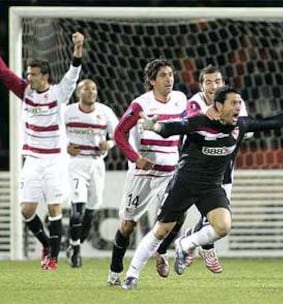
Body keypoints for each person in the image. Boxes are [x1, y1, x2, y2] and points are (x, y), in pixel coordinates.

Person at [121, 84, 283, 290]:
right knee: (161, 231)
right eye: (233, 103)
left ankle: (185, 244)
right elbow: (173, 127)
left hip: (211, 186)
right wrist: (154, 127)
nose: (238, 107)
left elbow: (275, 121)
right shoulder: (200, 122)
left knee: (223, 226)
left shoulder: (241, 126)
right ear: (218, 106)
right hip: (185, 183)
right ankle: (132, 274)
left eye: (239, 103)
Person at [0, 32, 84, 270]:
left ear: (45, 76)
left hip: (55, 160)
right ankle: (47, 244)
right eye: (28, 74)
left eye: (33, 74)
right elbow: (5, 74)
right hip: (33, 159)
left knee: (54, 208)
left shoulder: (59, 94)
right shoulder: (25, 92)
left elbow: (74, 72)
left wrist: (78, 48)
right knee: (26, 211)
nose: (29, 78)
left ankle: (54, 258)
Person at [107, 58, 187, 285]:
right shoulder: (140, 105)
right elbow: (119, 133)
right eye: (162, 75)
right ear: (152, 81)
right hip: (143, 175)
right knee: (128, 225)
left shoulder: (181, 100)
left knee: (178, 216)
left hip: (170, 173)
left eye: (170, 74)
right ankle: (114, 272)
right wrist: (136, 158)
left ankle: (160, 251)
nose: (168, 79)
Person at [181, 65, 250, 273]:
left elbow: (246, 129)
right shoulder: (194, 103)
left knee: (220, 212)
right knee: (198, 213)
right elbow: (196, 124)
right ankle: (204, 247)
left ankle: (192, 240)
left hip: (225, 165)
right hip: (197, 166)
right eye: (208, 82)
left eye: (217, 81)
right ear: (201, 85)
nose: (213, 86)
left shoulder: (235, 101)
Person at [64, 79, 119, 267]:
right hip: (75, 163)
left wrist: (109, 144)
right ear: (79, 92)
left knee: (92, 208)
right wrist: (65, 146)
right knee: (77, 206)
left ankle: (75, 243)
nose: (91, 92)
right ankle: (76, 250)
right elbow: (55, 132)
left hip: (96, 164)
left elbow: (119, 135)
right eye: (87, 89)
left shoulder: (105, 112)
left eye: (94, 88)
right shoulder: (68, 111)